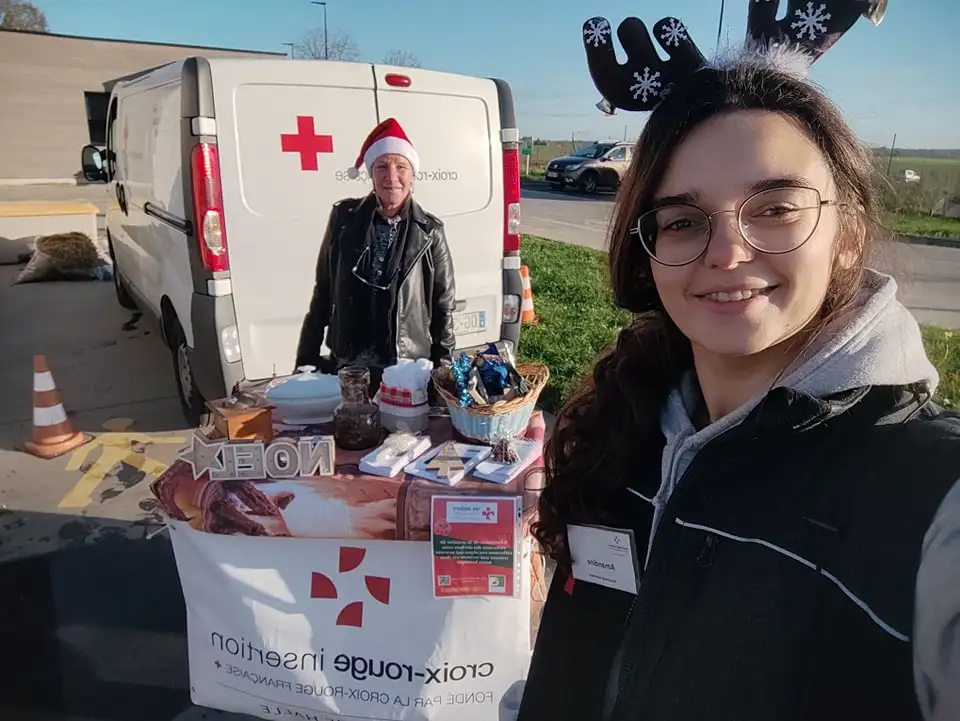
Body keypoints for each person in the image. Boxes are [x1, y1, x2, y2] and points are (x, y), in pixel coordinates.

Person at [517, 4, 960, 721]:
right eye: (686, 220)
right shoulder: (621, 430)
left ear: (847, 233)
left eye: (775, 208)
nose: (726, 253)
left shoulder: (922, 492)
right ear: (649, 248)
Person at [295, 118, 457, 385]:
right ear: (371, 173)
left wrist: (444, 374)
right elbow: (323, 290)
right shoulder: (343, 220)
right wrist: (307, 360)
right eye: (382, 166)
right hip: (351, 366)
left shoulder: (430, 232)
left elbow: (443, 309)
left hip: (406, 368)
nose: (391, 177)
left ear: (412, 175)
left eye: (401, 167)